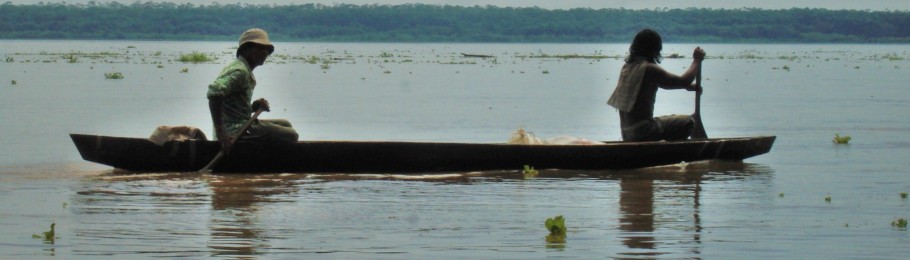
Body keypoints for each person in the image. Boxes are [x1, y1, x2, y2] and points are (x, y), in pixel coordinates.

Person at [207, 28, 298, 154]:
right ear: (246, 49)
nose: (265, 52)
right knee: (291, 135)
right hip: (236, 132)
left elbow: (231, 106)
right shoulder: (240, 71)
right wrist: (221, 133)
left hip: (241, 124)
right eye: (260, 48)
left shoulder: (243, 69)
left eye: (267, 49)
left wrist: (252, 107)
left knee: (286, 124)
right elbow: (214, 93)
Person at [607, 29, 706, 142]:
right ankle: (672, 152)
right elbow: (684, 80)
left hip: (627, 133)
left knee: (674, 121)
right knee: (689, 121)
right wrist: (697, 60)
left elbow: (666, 83)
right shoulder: (649, 68)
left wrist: (686, 86)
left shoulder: (628, 67)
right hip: (643, 131)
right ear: (654, 49)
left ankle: (664, 148)